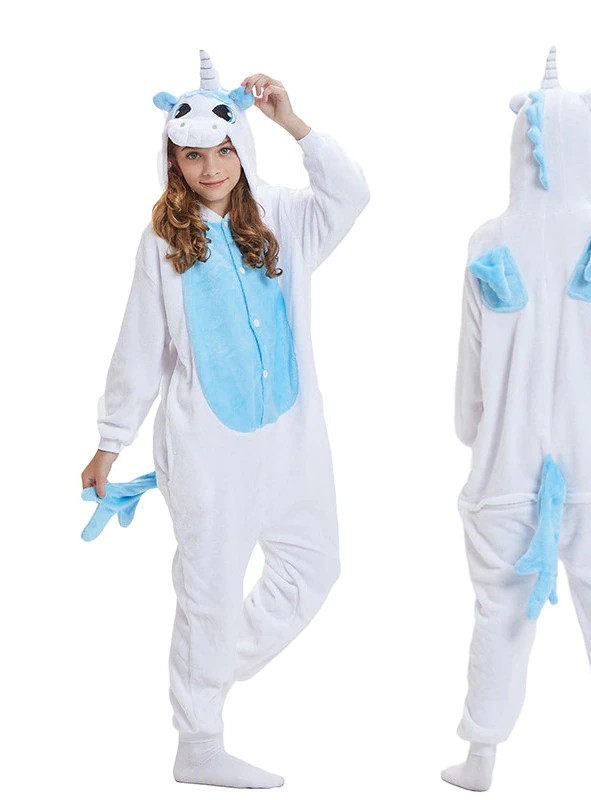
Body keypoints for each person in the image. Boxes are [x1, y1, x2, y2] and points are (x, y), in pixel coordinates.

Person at [80, 50, 369, 789]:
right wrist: (111, 440)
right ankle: (199, 741)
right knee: (208, 589)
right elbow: (140, 345)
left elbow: (351, 193)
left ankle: (206, 669)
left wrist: (292, 122)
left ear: (243, 146)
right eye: (192, 156)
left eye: (223, 151)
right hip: (206, 451)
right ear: (173, 161)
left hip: (292, 442)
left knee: (314, 568)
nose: (210, 168)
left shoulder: (284, 219)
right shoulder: (164, 241)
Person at [443, 47, 591, 792]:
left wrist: (479, 437)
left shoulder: (487, 242)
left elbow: (472, 380)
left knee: (498, 615)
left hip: (505, 468)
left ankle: (480, 757)